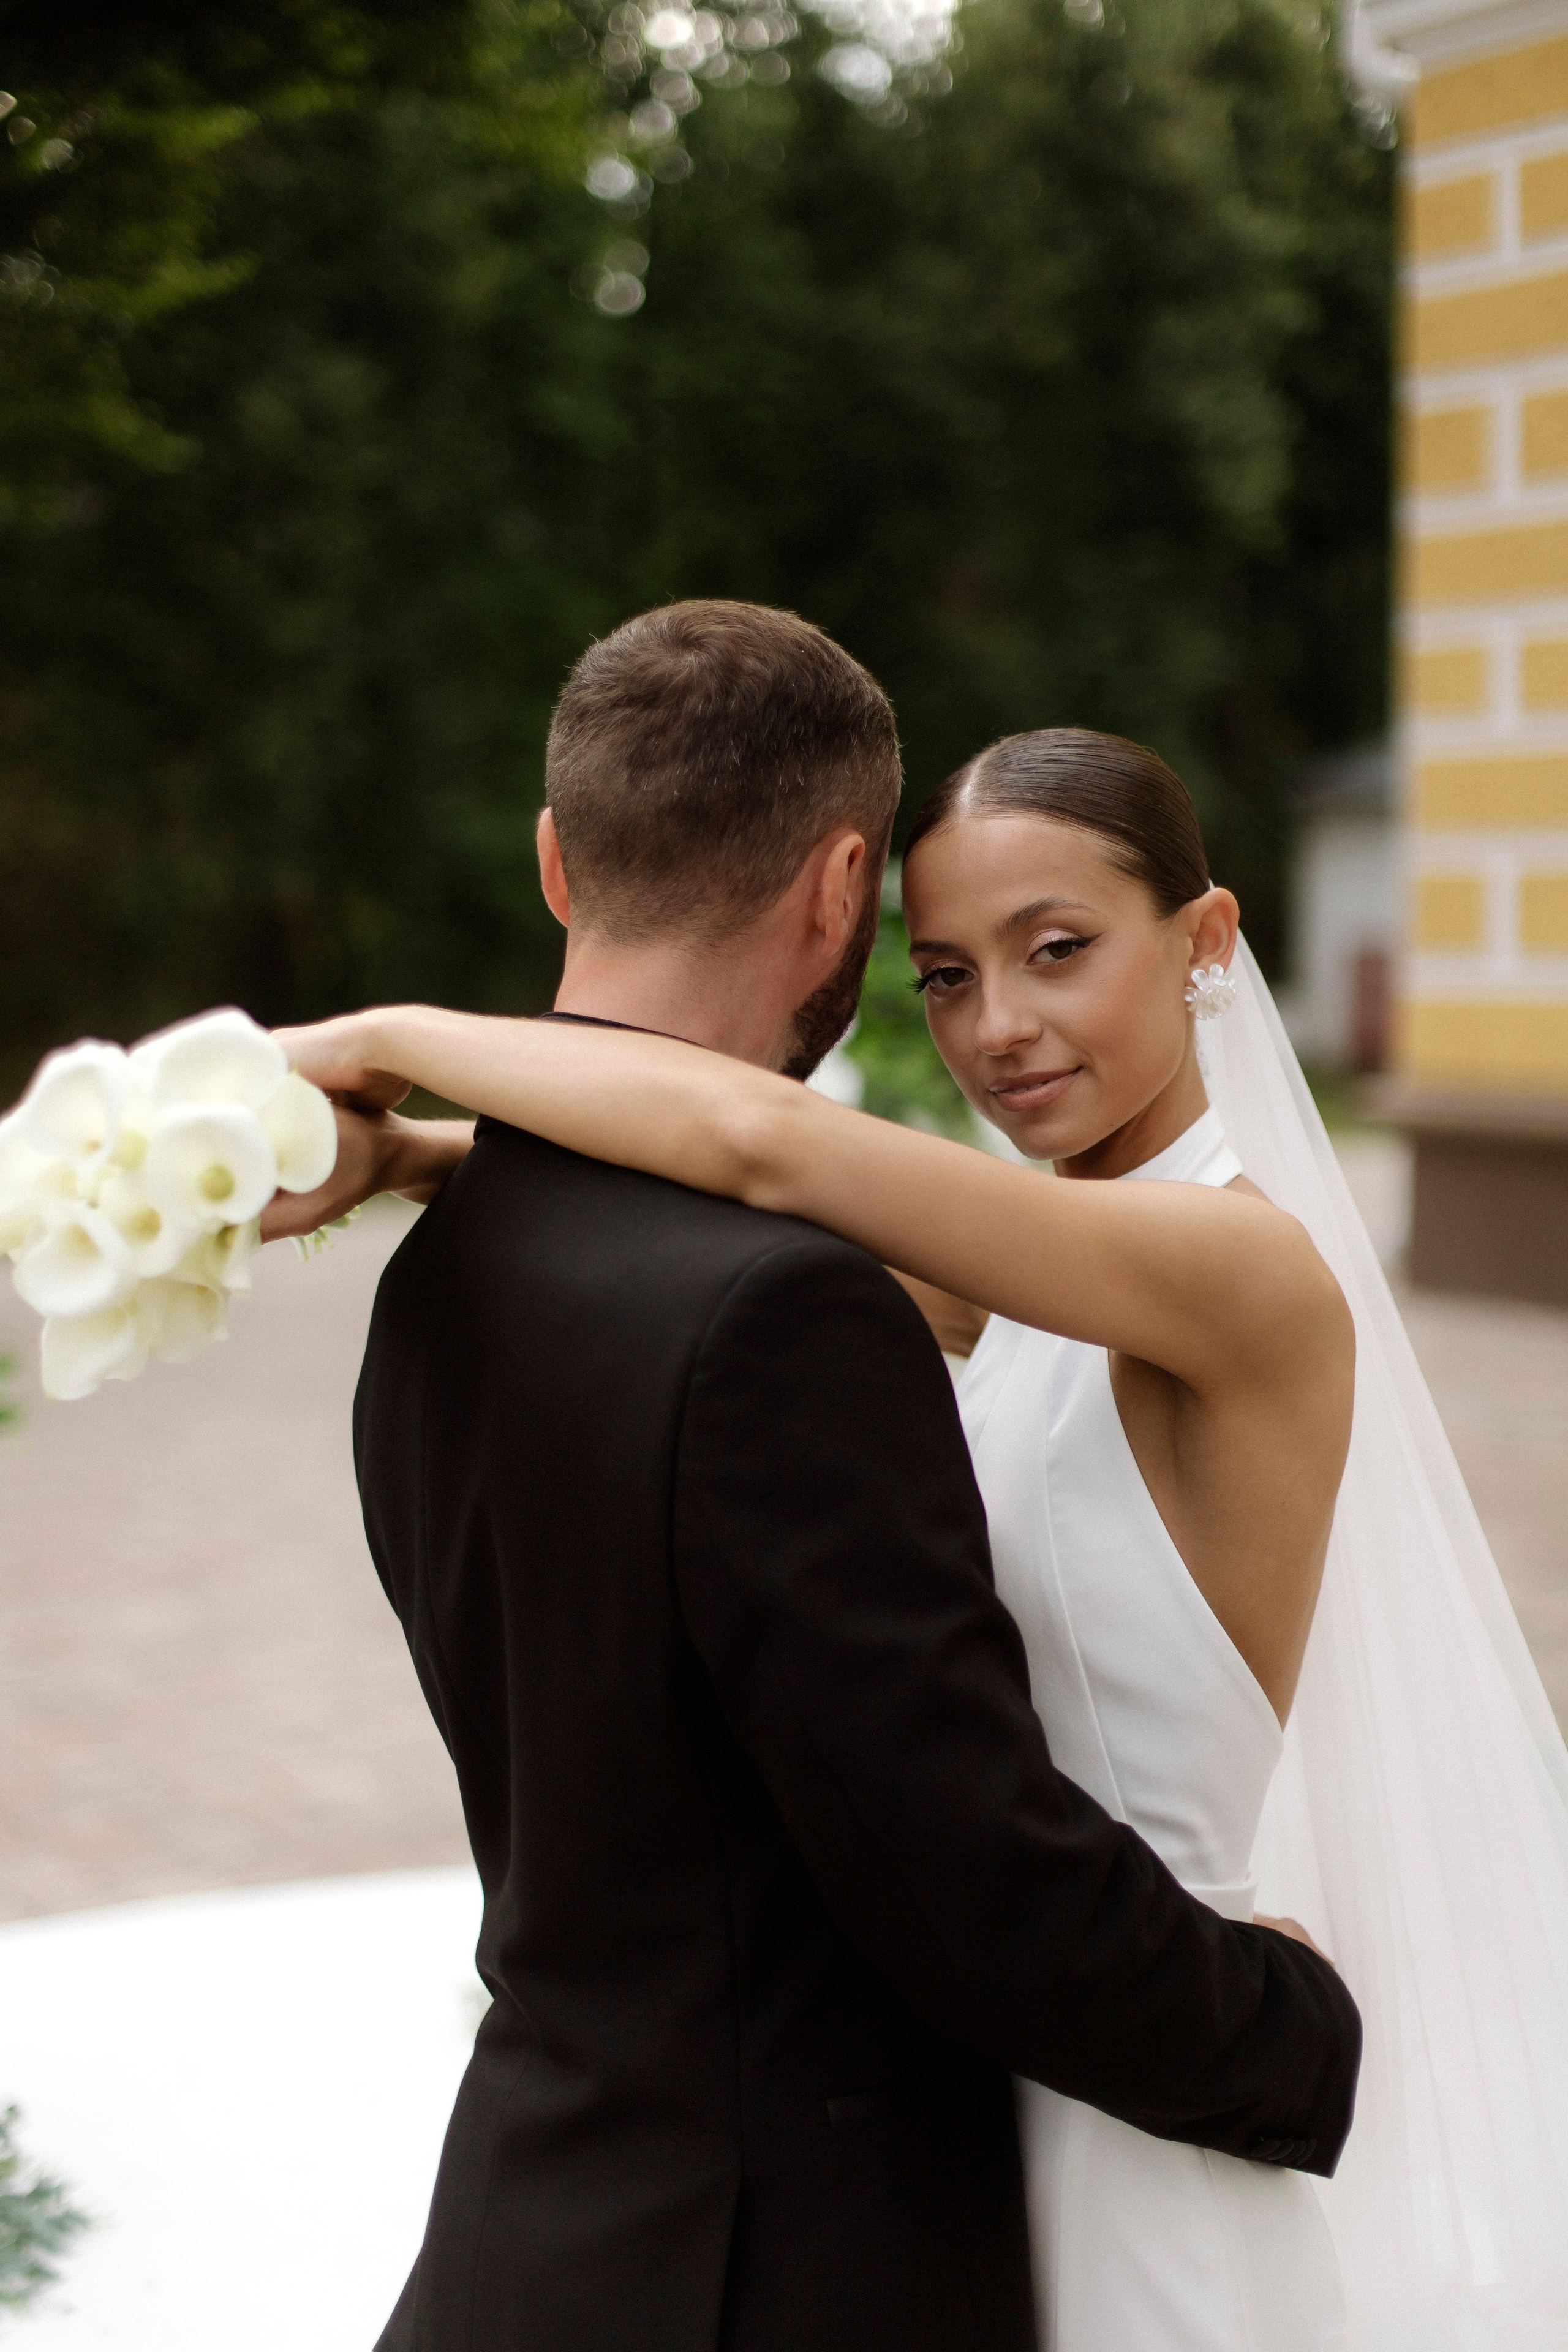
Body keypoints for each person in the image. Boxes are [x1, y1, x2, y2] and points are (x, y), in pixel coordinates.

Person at [268, 603, 1362, 2352]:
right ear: (855, 904)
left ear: (1204, 940)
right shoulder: (1025, 1266)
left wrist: (392, 1037)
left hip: (1138, 2072)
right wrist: (413, 1155)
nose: (999, 1029)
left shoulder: (1236, 1268)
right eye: (949, 975)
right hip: (1002, 2087)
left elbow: (759, 1146)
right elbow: (722, 1210)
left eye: (1059, 949)